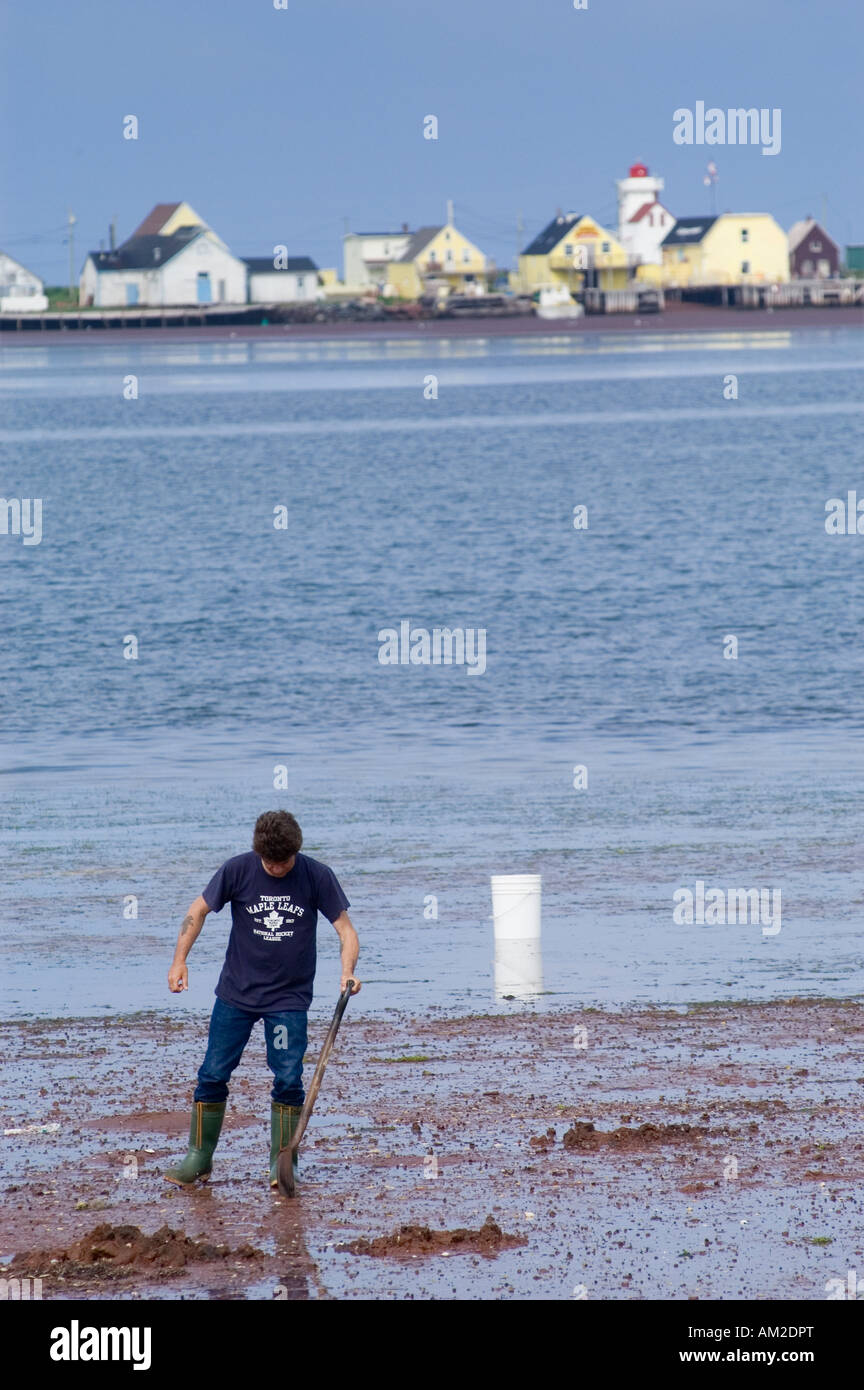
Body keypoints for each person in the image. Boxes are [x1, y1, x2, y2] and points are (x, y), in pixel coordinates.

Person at [164, 810, 360, 1188]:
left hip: (288, 999)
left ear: (295, 853)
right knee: (213, 1073)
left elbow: (346, 931)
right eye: (268, 862)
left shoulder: (317, 875)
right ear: (258, 853)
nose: (275, 868)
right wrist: (179, 960)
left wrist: (347, 971)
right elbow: (197, 910)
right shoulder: (237, 870)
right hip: (236, 994)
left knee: (288, 1078)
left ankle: (282, 1163)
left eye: (282, 862)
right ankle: (198, 1158)